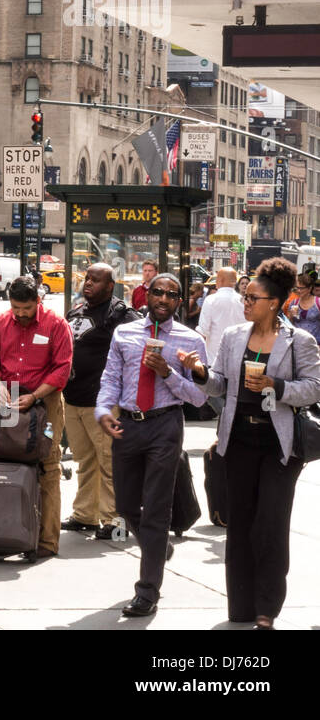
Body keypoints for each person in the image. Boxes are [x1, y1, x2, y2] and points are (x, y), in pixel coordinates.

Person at [182, 257, 320, 629]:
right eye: (245, 296)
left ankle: (267, 609)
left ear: (274, 302)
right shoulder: (233, 337)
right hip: (239, 439)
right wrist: (199, 373)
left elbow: (314, 389)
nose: (245, 302)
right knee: (240, 523)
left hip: (278, 445)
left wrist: (278, 387)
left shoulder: (299, 341)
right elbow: (221, 385)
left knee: (270, 525)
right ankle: (241, 605)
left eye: (252, 298)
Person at [95, 273, 209, 617]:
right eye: (157, 292)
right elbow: (111, 377)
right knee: (127, 504)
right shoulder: (124, 333)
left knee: (157, 511)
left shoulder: (191, 340)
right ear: (147, 296)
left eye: (171, 294)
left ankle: (147, 592)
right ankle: (157, 548)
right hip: (128, 425)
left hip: (165, 425)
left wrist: (168, 374)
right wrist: (103, 410)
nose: (162, 298)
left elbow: (201, 397)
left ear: (179, 301)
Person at [0, 275, 74, 559]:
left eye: (26, 309)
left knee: (48, 466)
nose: (20, 314)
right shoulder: (0, 322)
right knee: (4, 464)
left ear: (37, 302)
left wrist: (34, 397)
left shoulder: (56, 324)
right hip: (9, 399)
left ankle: (46, 541)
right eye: (15, 308)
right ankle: (6, 534)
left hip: (45, 401)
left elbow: (62, 368)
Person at [62, 264, 138, 539]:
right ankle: (86, 514)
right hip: (73, 398)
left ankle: (114, 521)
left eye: (96, 280)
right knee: (85, 460)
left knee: (109, 462)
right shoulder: (75, 311)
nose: (89, 283)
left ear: (110, 286)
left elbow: (136, 351)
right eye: (87, 278)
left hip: (103, 403)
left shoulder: (122, 314)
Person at [198, 267, 245, 375]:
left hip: (214, 360)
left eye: (217, 279)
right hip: (237, 360)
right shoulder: (243, 301)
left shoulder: (211, 300)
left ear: (221, 280)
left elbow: (203, 331)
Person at [285, 268, 320, 342]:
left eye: (301, 288)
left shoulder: (318, 302)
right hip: (297, 343)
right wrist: (290, 316)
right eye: (297, 288)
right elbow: (289, 325)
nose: (298, 291)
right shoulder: (294, 303)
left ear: (309, 288)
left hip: (315, 343)